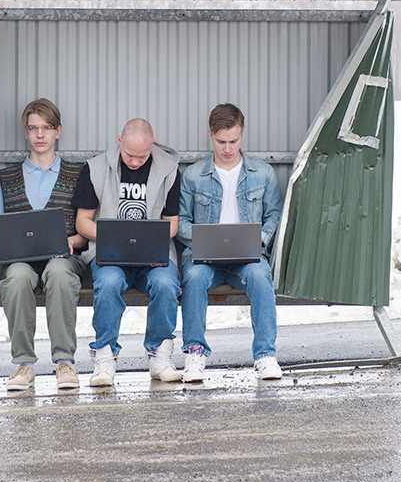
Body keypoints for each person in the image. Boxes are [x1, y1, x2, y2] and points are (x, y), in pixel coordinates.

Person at [0, 97, 88, 393]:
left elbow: (85, 230)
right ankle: (24, 364)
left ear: (58, 131)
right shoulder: (7, 178)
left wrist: (72, 240)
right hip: (21, 260)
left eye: (46, 128)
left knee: (57, 272)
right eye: (33, 128)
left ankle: (64, 363)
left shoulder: (77, 174)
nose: (40, 135)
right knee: (15, 277)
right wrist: (8, 243)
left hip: (63, 258)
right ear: (26, 132)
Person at [177, 102, 286, 383]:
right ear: (211, 135)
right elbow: (181, 223)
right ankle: (195, 353)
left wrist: (260, 238)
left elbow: (274, 215)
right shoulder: (193, 175)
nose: (227, 148)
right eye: (221, 141)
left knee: (261, 276)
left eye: (233, 141)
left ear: (242, 134)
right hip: (204, 257)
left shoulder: (262, 174)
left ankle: (265, 355)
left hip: (247, 256)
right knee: (194, 277)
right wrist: (202, 239)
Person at [73, 118, 183, 387]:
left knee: (166, 283)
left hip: (154, 252)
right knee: (109, 283)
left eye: (142, 157)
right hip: (110, 252)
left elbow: (173, 222)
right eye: (129, 156)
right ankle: (105, 356)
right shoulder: (96, 168)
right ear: (118, 140)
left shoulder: (169, 169)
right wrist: (115, 236)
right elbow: (82, 221)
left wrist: (148, 237)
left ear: (152, 145)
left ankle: (159, 354)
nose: (135, 162)